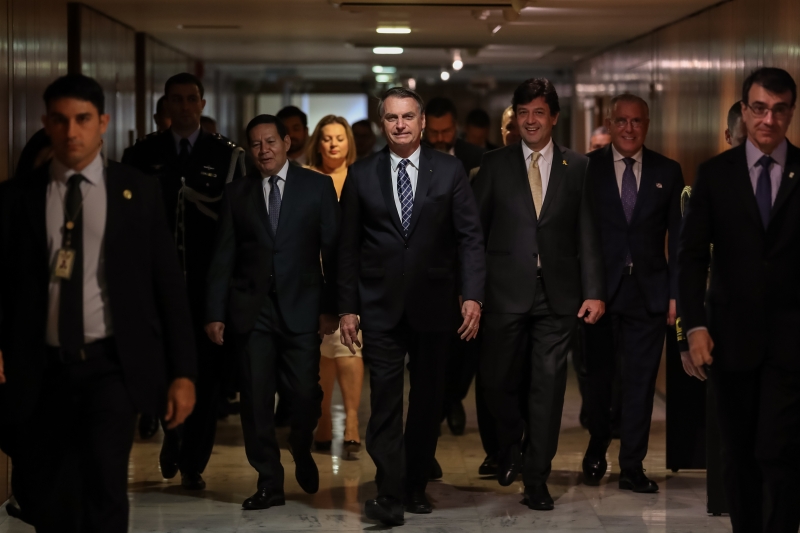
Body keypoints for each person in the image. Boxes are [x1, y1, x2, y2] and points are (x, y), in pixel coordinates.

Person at [0, 73, 197, 533]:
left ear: (103, 122)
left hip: (110, 366)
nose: (72, 132)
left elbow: (167, 286)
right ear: (46, 123)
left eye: (83, 119)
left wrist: (183, 372)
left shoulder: (136, 191)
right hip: (40, 368)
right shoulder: (16, 200)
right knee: (49, 495)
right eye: (61, 120)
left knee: (106, 485)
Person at [338, 87, 485, 526]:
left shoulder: (451, 169)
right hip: (379, 306)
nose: (400, 125)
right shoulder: (361, 174)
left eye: (407, 117)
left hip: (436, 305)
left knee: (426, 401)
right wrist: (347, 306)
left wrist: (473, 294)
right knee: (383, 401)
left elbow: (469, 238)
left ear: (422, 122)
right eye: (391, 118)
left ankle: (417, 483)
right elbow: (346, 246)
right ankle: (389, 489)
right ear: (382, 123)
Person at [472, 78, 605, 511]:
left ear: (554, 118)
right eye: (523, 113)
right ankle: (509, 446)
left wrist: (595, 291)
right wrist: (471, 292)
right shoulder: (493, 165)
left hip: (558, 296)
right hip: (503, 292)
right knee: (495, 383)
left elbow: (589, 233)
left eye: (539, 113)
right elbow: (474, 234)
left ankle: (536, 478)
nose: (530, 120)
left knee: (547, 388)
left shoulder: (579, 167)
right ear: (514, 117)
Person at [679, 67, 800, 533]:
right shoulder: (715, 175)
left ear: (789, 112)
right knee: (740, 453)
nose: (768, 119)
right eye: (760, 109)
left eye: (779, 109)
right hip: (729, 340)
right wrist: (695, 327)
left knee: (781, 449)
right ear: (745, 112)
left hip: (791, 341)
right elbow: (690, 258)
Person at [205, 114, 340, 510]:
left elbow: (333, 253)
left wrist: (333, 307)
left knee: (303, 394)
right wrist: (215, 313)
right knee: (256, 400)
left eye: (270, 142)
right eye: (256, 144)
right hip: (252, 311)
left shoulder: (317, 187)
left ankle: (300, 445)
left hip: (303, 308)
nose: (264, 150)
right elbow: (223, 257)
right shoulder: (237, 193)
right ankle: (269, 481)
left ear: (286, 143)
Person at [121, 72, 245, 491]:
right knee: (161, 368)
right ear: (166, 107)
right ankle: (171, 434)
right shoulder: (142, 155)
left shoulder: (225, 155)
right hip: (155, 288)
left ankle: (194, 460)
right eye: (177, 100)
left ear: (202, 104)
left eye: (192, 99)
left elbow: (236, 229)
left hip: (206, 289)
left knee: (206, 380)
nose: (185, 106)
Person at [581, 94, 683, 493]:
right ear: (611, 122)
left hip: (648, 294)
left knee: (640, 381)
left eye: (636, 121)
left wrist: (677, 294)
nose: (628, 128)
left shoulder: (667, 171)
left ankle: (631, 466)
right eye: (621, 121)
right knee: (599, 380)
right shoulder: (588, 168)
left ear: (647, 124)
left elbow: (680, 238)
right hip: (599, 294)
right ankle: (596, 445)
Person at [304, 115, 364, 457]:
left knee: (348, 347)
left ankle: (353, 421)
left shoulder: (359, 175)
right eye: (326, 138)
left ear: (348, 141)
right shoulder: (306, 177)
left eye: (339, 137)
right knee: (321, 354)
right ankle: (324, 421)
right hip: (313, 272)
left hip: (349, 274)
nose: (333, 144)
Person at [424, 96, 485, 174]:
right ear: (424, 128)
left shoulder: (477, 158)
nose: (440, 138)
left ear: (455, 127)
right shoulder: (413, 157)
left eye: (446, 131)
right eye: (433, 132)